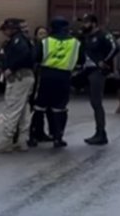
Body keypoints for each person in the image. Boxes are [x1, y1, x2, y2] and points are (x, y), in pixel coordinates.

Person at [33, 17, 83, 148]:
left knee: (40, 106)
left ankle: (35, 135)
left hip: (46, 76)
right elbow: (82, 59)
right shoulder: (75, 42)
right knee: (60, 108)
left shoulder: (45, 42)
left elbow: (36, 57)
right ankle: (58, 137)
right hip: (64, 76)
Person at [0, 18, 36, 154]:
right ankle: (22, 140)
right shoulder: (23, 39)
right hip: (26, 77)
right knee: (23, 110)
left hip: (19, 78)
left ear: (12, 29)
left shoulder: (17, 41)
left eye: (5, 29)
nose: (4, 32)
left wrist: (11, 68)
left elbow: (24, 56)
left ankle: (7, 139)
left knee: (12, 108)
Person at [79, 14, 118, 145]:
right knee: (93, 102)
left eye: (86, 22)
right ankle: (98, 132)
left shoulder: (103, 35)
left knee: (97, 102)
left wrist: (105, 61)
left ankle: (101, 133)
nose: (83, 25)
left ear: (93, 23)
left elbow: (115, 47)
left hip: (97, 71)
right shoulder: (86, 37)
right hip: (87, 70)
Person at [28, 26, 53, 146]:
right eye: (40, 34)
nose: (43, 36)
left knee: (45, 108)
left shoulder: (49, 46)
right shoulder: (35, 47)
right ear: (36, 36)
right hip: (36, 80)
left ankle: (40, 132)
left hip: (46, 79)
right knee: (36, 108)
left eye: (44, 33)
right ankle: (32, 134)